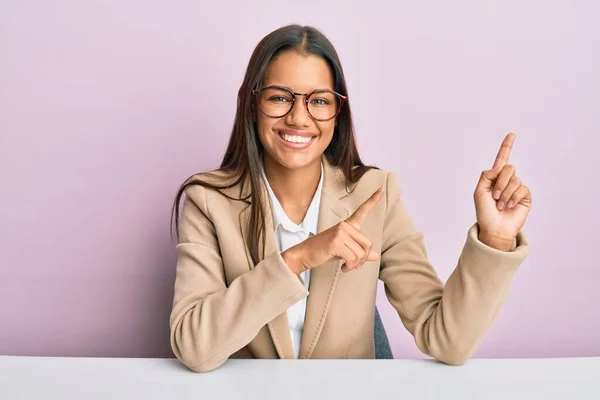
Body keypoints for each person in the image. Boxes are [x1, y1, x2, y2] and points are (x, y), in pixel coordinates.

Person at [169, 25, 532, 373]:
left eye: (319, 101)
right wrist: (300, 257)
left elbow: (447, 340)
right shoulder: (209, 200)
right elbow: (194, 347)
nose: (299, 118)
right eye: (280, 97)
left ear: (337, 113)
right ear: (252, 104)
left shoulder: (376, 194)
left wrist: (495, 239)